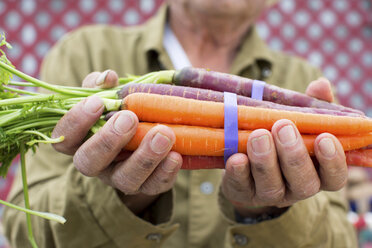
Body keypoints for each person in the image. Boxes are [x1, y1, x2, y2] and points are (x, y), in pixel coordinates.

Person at [4, 0, 357, 247]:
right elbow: (26, 230)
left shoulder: (303, 78)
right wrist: (119, 197)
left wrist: (266, 209)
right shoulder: (85, 53)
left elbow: (341, 241)